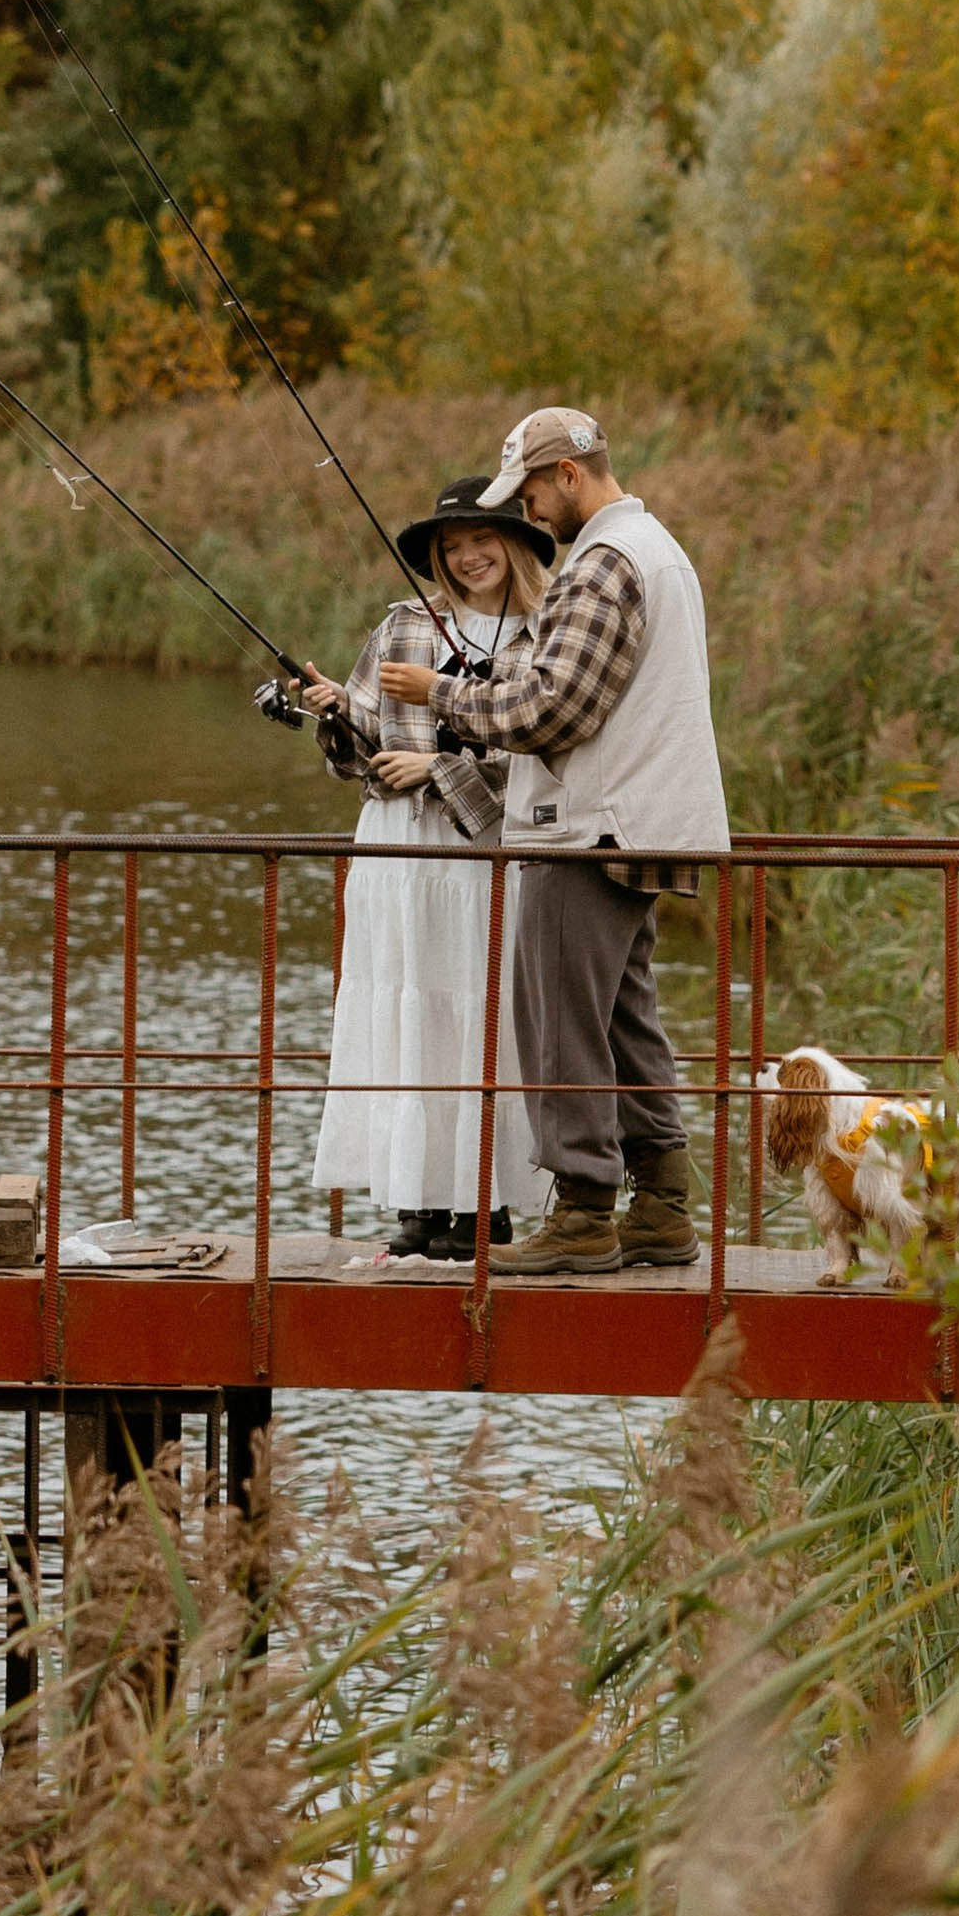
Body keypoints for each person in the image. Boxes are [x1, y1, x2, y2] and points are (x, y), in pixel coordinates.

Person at [377, 407, 729, 1279]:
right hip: (643, 819)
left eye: (531, 496)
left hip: (588, 828)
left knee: (559, 1022)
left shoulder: (603, 563)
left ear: (570, 476)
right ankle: (659, 1207)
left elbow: (551, 710)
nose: (528, 516)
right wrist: (481, 678)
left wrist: (440, 696)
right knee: (622, 1019)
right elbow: (570, 681)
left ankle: (581, 1212)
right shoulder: (659, 552)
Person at [299, 477, 551, 1259]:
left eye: (481, 539)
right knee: (402, 1014)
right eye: (451, 547)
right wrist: (336, 714)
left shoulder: (539, 638)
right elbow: (361, 753)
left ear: (512, 543)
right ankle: (415, 1201)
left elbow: (542, 759)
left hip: (478, 856)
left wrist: (437, 768)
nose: (467, 556)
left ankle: (485, 1204)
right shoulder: (404, 624)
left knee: (474, 1016)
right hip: (393, 849)